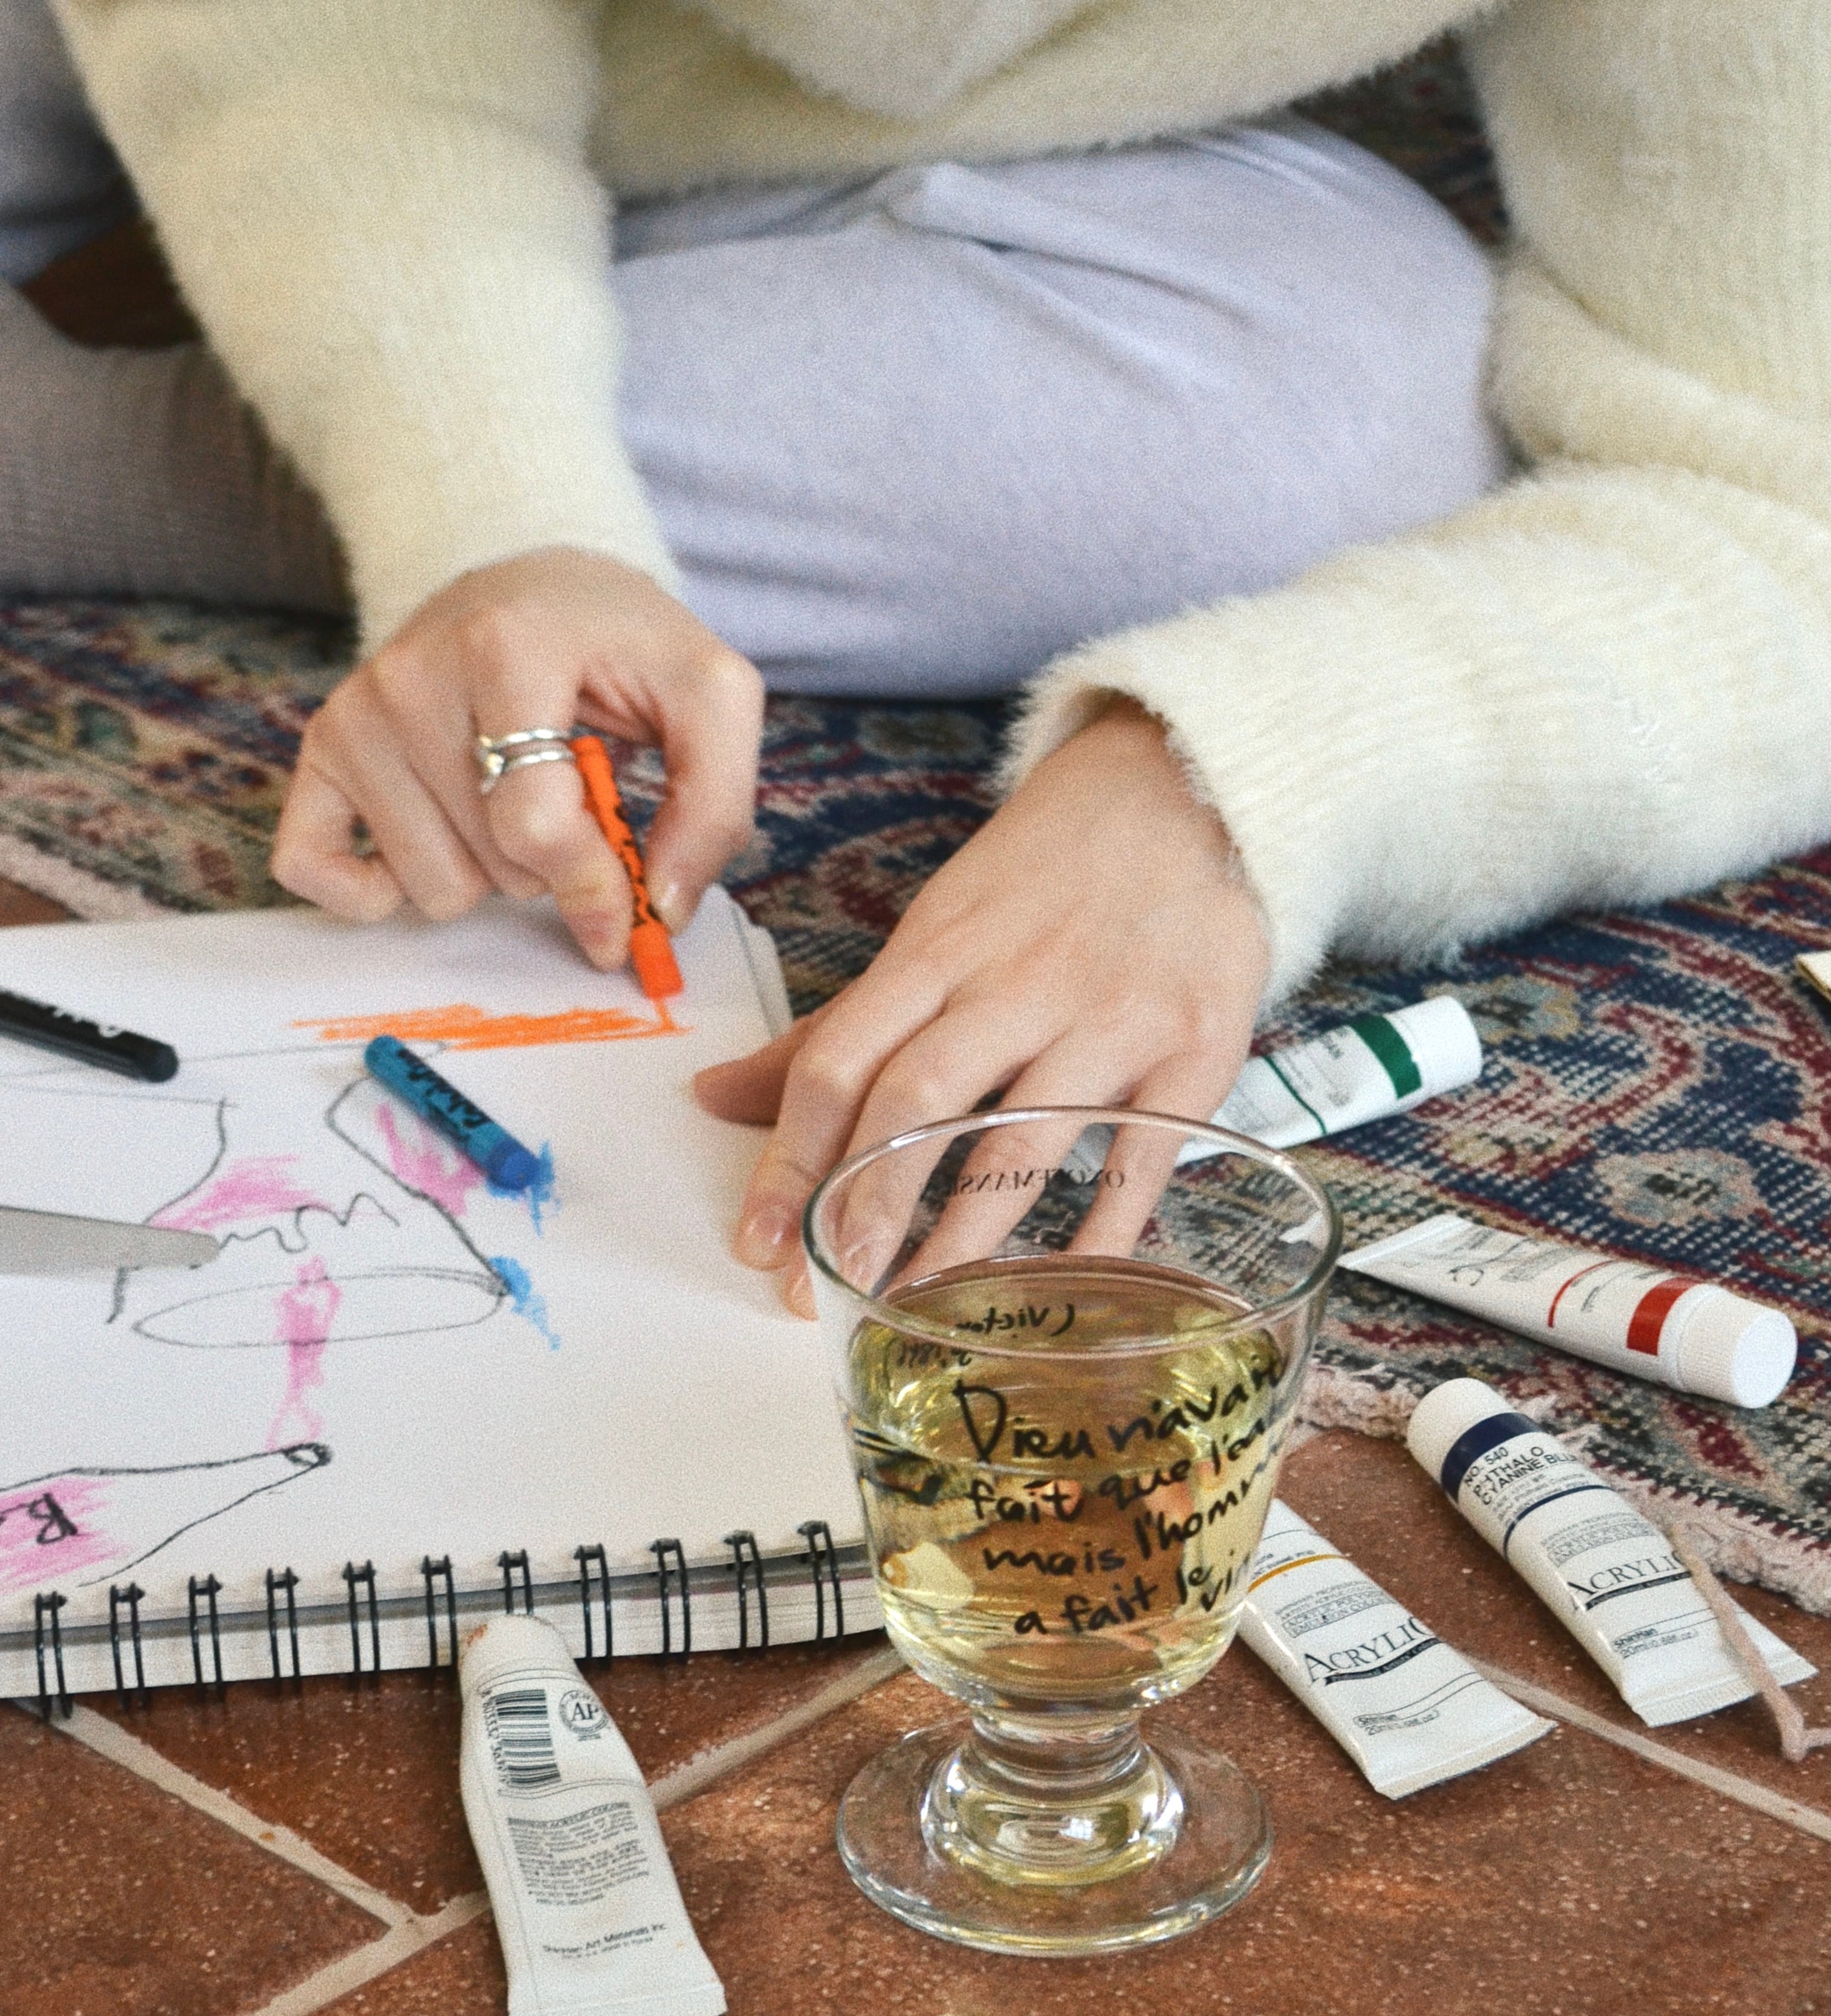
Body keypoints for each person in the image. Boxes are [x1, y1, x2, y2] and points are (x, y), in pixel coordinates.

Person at [9, 0, 1830, 1308]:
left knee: (1369, 407)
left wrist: (1241, 776)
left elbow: (1789, 494)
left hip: (892, 155)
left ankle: (157, 436)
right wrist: (476, 507)